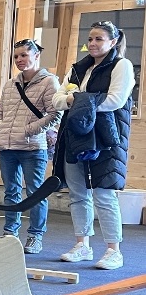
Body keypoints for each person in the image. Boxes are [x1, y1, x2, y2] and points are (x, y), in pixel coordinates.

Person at [51, 21, 136, 270]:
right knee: (78, 194)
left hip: (106, 138)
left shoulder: (122, 65)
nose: (92, 44)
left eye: (99, 39)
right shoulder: (78, 69)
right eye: (90, 39)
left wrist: (76, 100)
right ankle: (82, 245)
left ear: (112, 42)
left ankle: (113, 250)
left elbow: (115, 101)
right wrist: (78, 100)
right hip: (75, 136)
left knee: (104, 193)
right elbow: (57, 99)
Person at [0, 39, 62, 254]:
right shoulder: (9, 84)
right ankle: (10, 232)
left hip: (33, 148)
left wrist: (29, 130)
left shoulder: (49, 82)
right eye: (16, 56)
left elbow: (55, 114)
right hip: (7, 147)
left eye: (24, 55)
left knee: (35, 193)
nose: (19, 60)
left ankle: (35, 236)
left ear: (35, 56)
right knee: (11, 191)